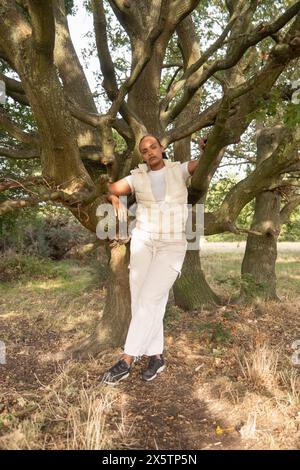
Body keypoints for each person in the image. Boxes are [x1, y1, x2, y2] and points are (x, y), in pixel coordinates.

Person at [102, 134, 206, 384]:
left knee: (150, 298)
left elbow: (201, 165)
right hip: (143, 241)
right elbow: (109, 188)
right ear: (142, 156)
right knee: (143, 300)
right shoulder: (136, 177)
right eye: (145, 150)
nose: (150, 152)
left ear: (162, 149)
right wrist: (115, 199)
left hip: (172, 244)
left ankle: (126, 360)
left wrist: (207, 150)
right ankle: (156, 356)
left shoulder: (178, 170)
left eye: (153, 147)